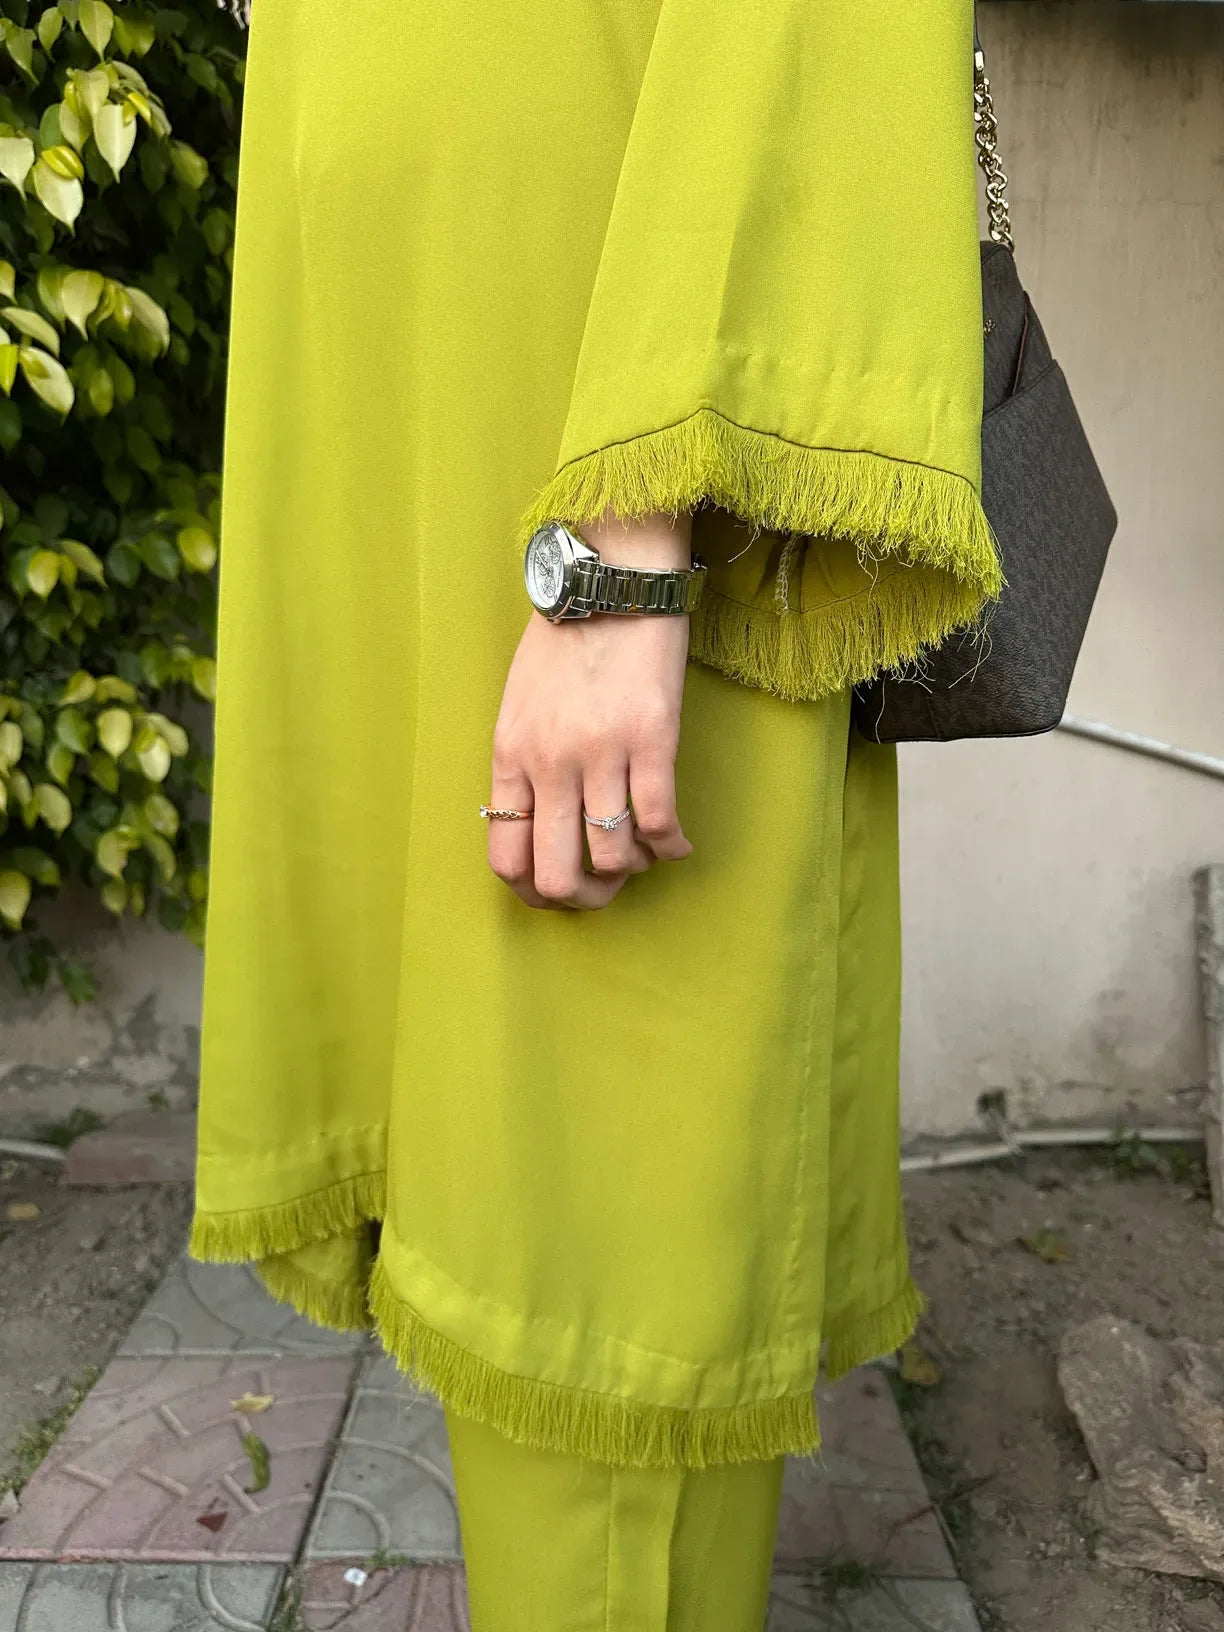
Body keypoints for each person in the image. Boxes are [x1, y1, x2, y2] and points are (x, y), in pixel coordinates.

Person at [191, 0, 998, 1625]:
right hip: (418, 332)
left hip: (601, 339)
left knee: (608, 1218)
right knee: (490, 1151)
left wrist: (624, 557)